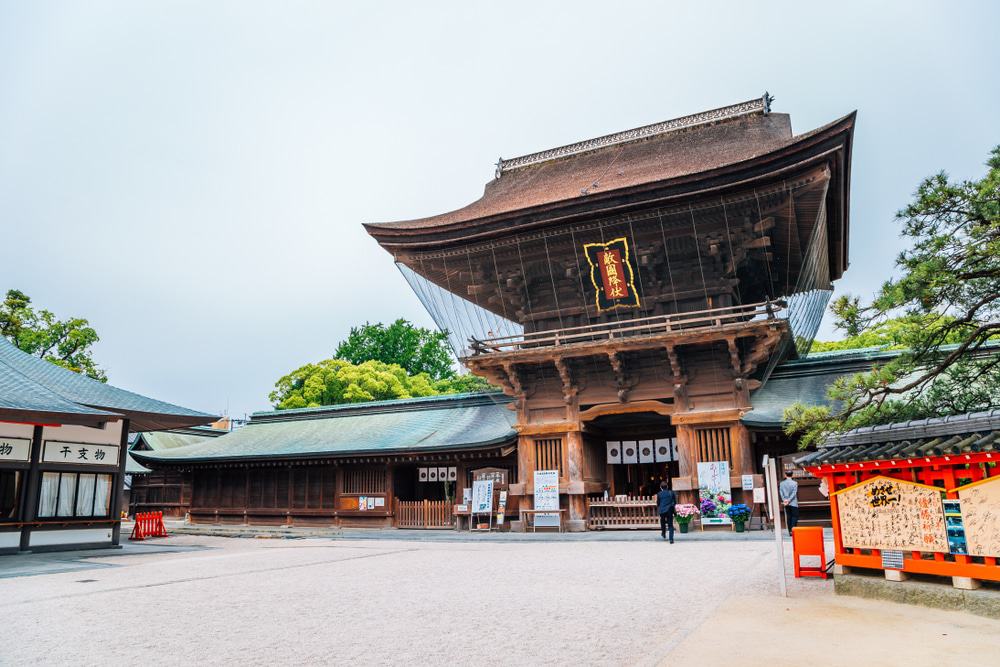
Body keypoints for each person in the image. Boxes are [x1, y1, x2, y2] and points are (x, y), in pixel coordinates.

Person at [779, 469, 799, 536]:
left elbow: (781, 493)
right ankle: (793, 530)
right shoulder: (795, 483)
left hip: (785, 503)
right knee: (795, 516)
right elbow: (794, 493)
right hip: (793, 502)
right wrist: (789, 500)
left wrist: (785, 500)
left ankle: (789, 531)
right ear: (792, 475)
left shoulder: (782, 483)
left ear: (785, 475)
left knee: (789, 516)